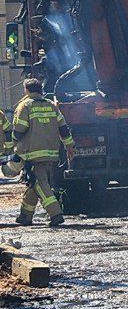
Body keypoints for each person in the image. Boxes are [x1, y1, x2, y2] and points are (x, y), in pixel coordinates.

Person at [12, 78, 74, 227]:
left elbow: (19, 130)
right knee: (34, 183)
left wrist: (13, 144)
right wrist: (69, 146)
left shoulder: (25, 106)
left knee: (40, 183)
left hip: (32, 153)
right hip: (51, 153)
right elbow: (63, 128)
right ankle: (25, 216)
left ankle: (55, 213)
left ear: (27, 90)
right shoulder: (51, 105)